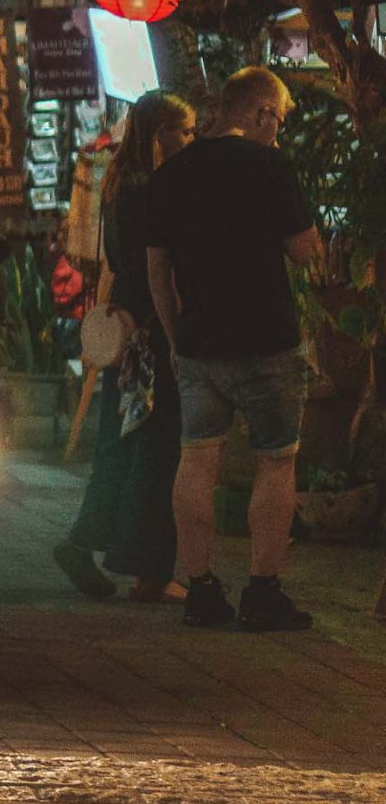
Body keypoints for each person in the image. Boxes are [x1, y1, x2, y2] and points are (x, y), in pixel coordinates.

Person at [146, 67, 324, 632]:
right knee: (277, 459)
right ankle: (262, 592)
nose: (280, 131)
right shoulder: (270, 166)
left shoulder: (171, 175)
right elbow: (303, 252)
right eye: (280, 120)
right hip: (268, 340)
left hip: (199, 344)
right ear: (261, 113)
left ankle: (200, 588)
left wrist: (177, 340)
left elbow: (157, 271)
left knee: (198, 460)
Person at [56, 91, 195, 604]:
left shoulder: (116, 181)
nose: (189, 139)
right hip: (152, 330)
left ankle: (85, 542)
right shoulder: (158, 188)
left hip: (126, 324)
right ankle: (147, 569)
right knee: (158, 447)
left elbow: (117, 264)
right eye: (184, 130)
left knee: (119, 443)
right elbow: (160, 268)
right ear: (161, 132)